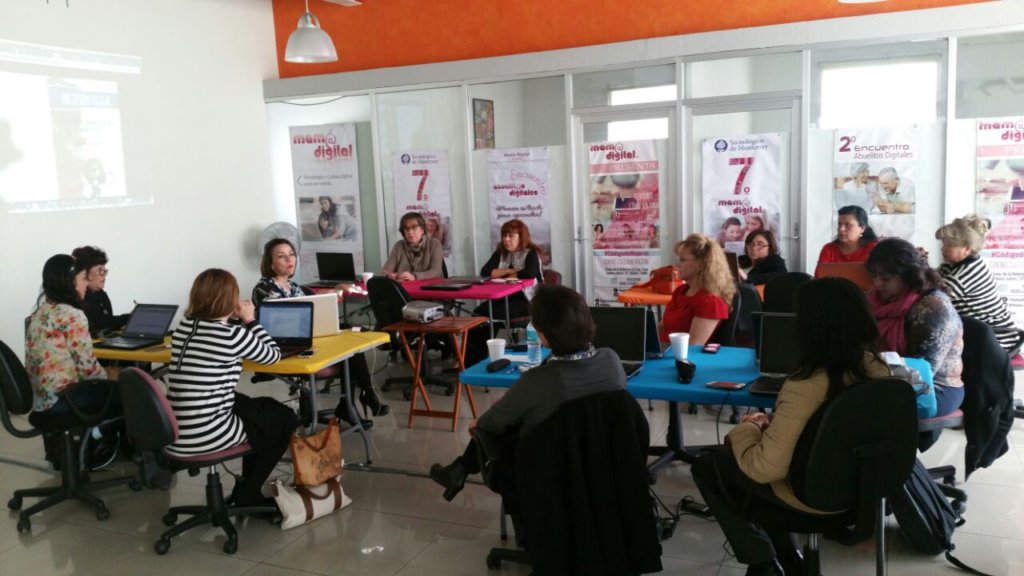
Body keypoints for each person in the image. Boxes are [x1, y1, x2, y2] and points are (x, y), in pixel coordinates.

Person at [691, 277, 896, 576]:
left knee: (709, 465)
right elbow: (832, 428)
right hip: (864, 491)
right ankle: (787, 558)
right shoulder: (879, 370)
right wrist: (776, 426)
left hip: (810, 497)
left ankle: (764, 563)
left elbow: (764, 469)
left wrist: (748, 428)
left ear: (809, 327)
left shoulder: (806, 385)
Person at [429, 285, 627, 501]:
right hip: (604, 462)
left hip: (549, 470)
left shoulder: (538, 380)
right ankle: (458, 470)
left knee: (494, 425)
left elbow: (491, 424)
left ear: (543, 336)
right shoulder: (611, 360)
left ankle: (460, 470)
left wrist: (478, 423)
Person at [165, 269, 298, 508]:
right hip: (206, 434)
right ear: (229, 300)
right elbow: (273, 355)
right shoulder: (231, 335)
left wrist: (232, 319)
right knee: (283, 420)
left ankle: (246, 487)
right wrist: (250, 319)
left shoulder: (184, 327)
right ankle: (249, 491)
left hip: (175, 429)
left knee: (259, 406)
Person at [252, 239, 389, 419]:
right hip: (285, 346)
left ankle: (353, 402)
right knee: (349, 350)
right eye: (281, 256)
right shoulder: (264, 289)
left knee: (350, 338)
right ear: (270, 263)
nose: (289, 259)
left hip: (309, 339)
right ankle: (358, 400)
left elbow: (314, 298)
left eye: (291, 254)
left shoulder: (293, 286)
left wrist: (336, 290)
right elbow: (283, 322)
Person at [866, 238, 964, 417]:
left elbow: (922, 371)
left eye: (886, 278)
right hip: (887, 375)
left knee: (860, 407)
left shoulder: (933, 308)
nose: (878, 284)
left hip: (934, 387)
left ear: (908, 276)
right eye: (874, 276)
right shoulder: (875, 299)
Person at [25, 254, 122, 418]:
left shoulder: (41, 312)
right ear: (69, 282)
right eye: (83, 278)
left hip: (42, 401)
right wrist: (112, 374)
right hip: (65, 399)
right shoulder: (72, 315)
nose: (86, 284)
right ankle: (102, 431)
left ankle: (98, 430)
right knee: (132, 390)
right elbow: (89, 371)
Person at [463, 220, 545, 367]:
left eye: (511, 236)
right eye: (504, 236)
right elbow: (485, 271)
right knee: (477, 314)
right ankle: (471, 361)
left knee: (492, 316)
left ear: (521, 237)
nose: (506, 240)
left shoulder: (531, 253)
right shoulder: (500, 253)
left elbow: (529, 273)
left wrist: (500, 273)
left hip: (527, 300)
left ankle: (488, 356)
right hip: (503, 296)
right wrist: (510, 271)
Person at [936, 215, 1021, 353]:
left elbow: (933, 295)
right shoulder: (951, 265)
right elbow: (932, 280)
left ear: (967, 249)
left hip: (997, 340)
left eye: (948, 244)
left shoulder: (965, 274)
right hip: (976, 333)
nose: (942, 248)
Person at [658, 234, 734, 345]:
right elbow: (663, 326)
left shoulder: (711, 301)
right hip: (662, 349)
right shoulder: (681, 290)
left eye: (682, 260)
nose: (677, 265)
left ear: (701, 264)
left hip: (676, 354)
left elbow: (692, 346)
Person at [70, 245, 128, 337]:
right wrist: (130, 318)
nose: (103, 275)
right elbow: (100, 324)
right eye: (99, 270)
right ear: (85, 273)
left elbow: (107, 323)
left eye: (104, 270)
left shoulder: (100, 294)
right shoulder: (77, 297)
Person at [382, 211, 444, 281]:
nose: (410, 232)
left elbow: (436, 271)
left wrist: (414, 276)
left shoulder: (434, 244)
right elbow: (385, 271)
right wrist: (390, 276)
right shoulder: (398, 246)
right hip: (404, 286)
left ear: (422, 230)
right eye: (406, 228)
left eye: (414, 228)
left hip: (430, 286)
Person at [815, 205, 878, 269]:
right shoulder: (829, 250)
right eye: (839, 224)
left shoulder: (873, 249)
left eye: (848, 225)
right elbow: (820, 274)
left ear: (862, 228)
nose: (841, 229)